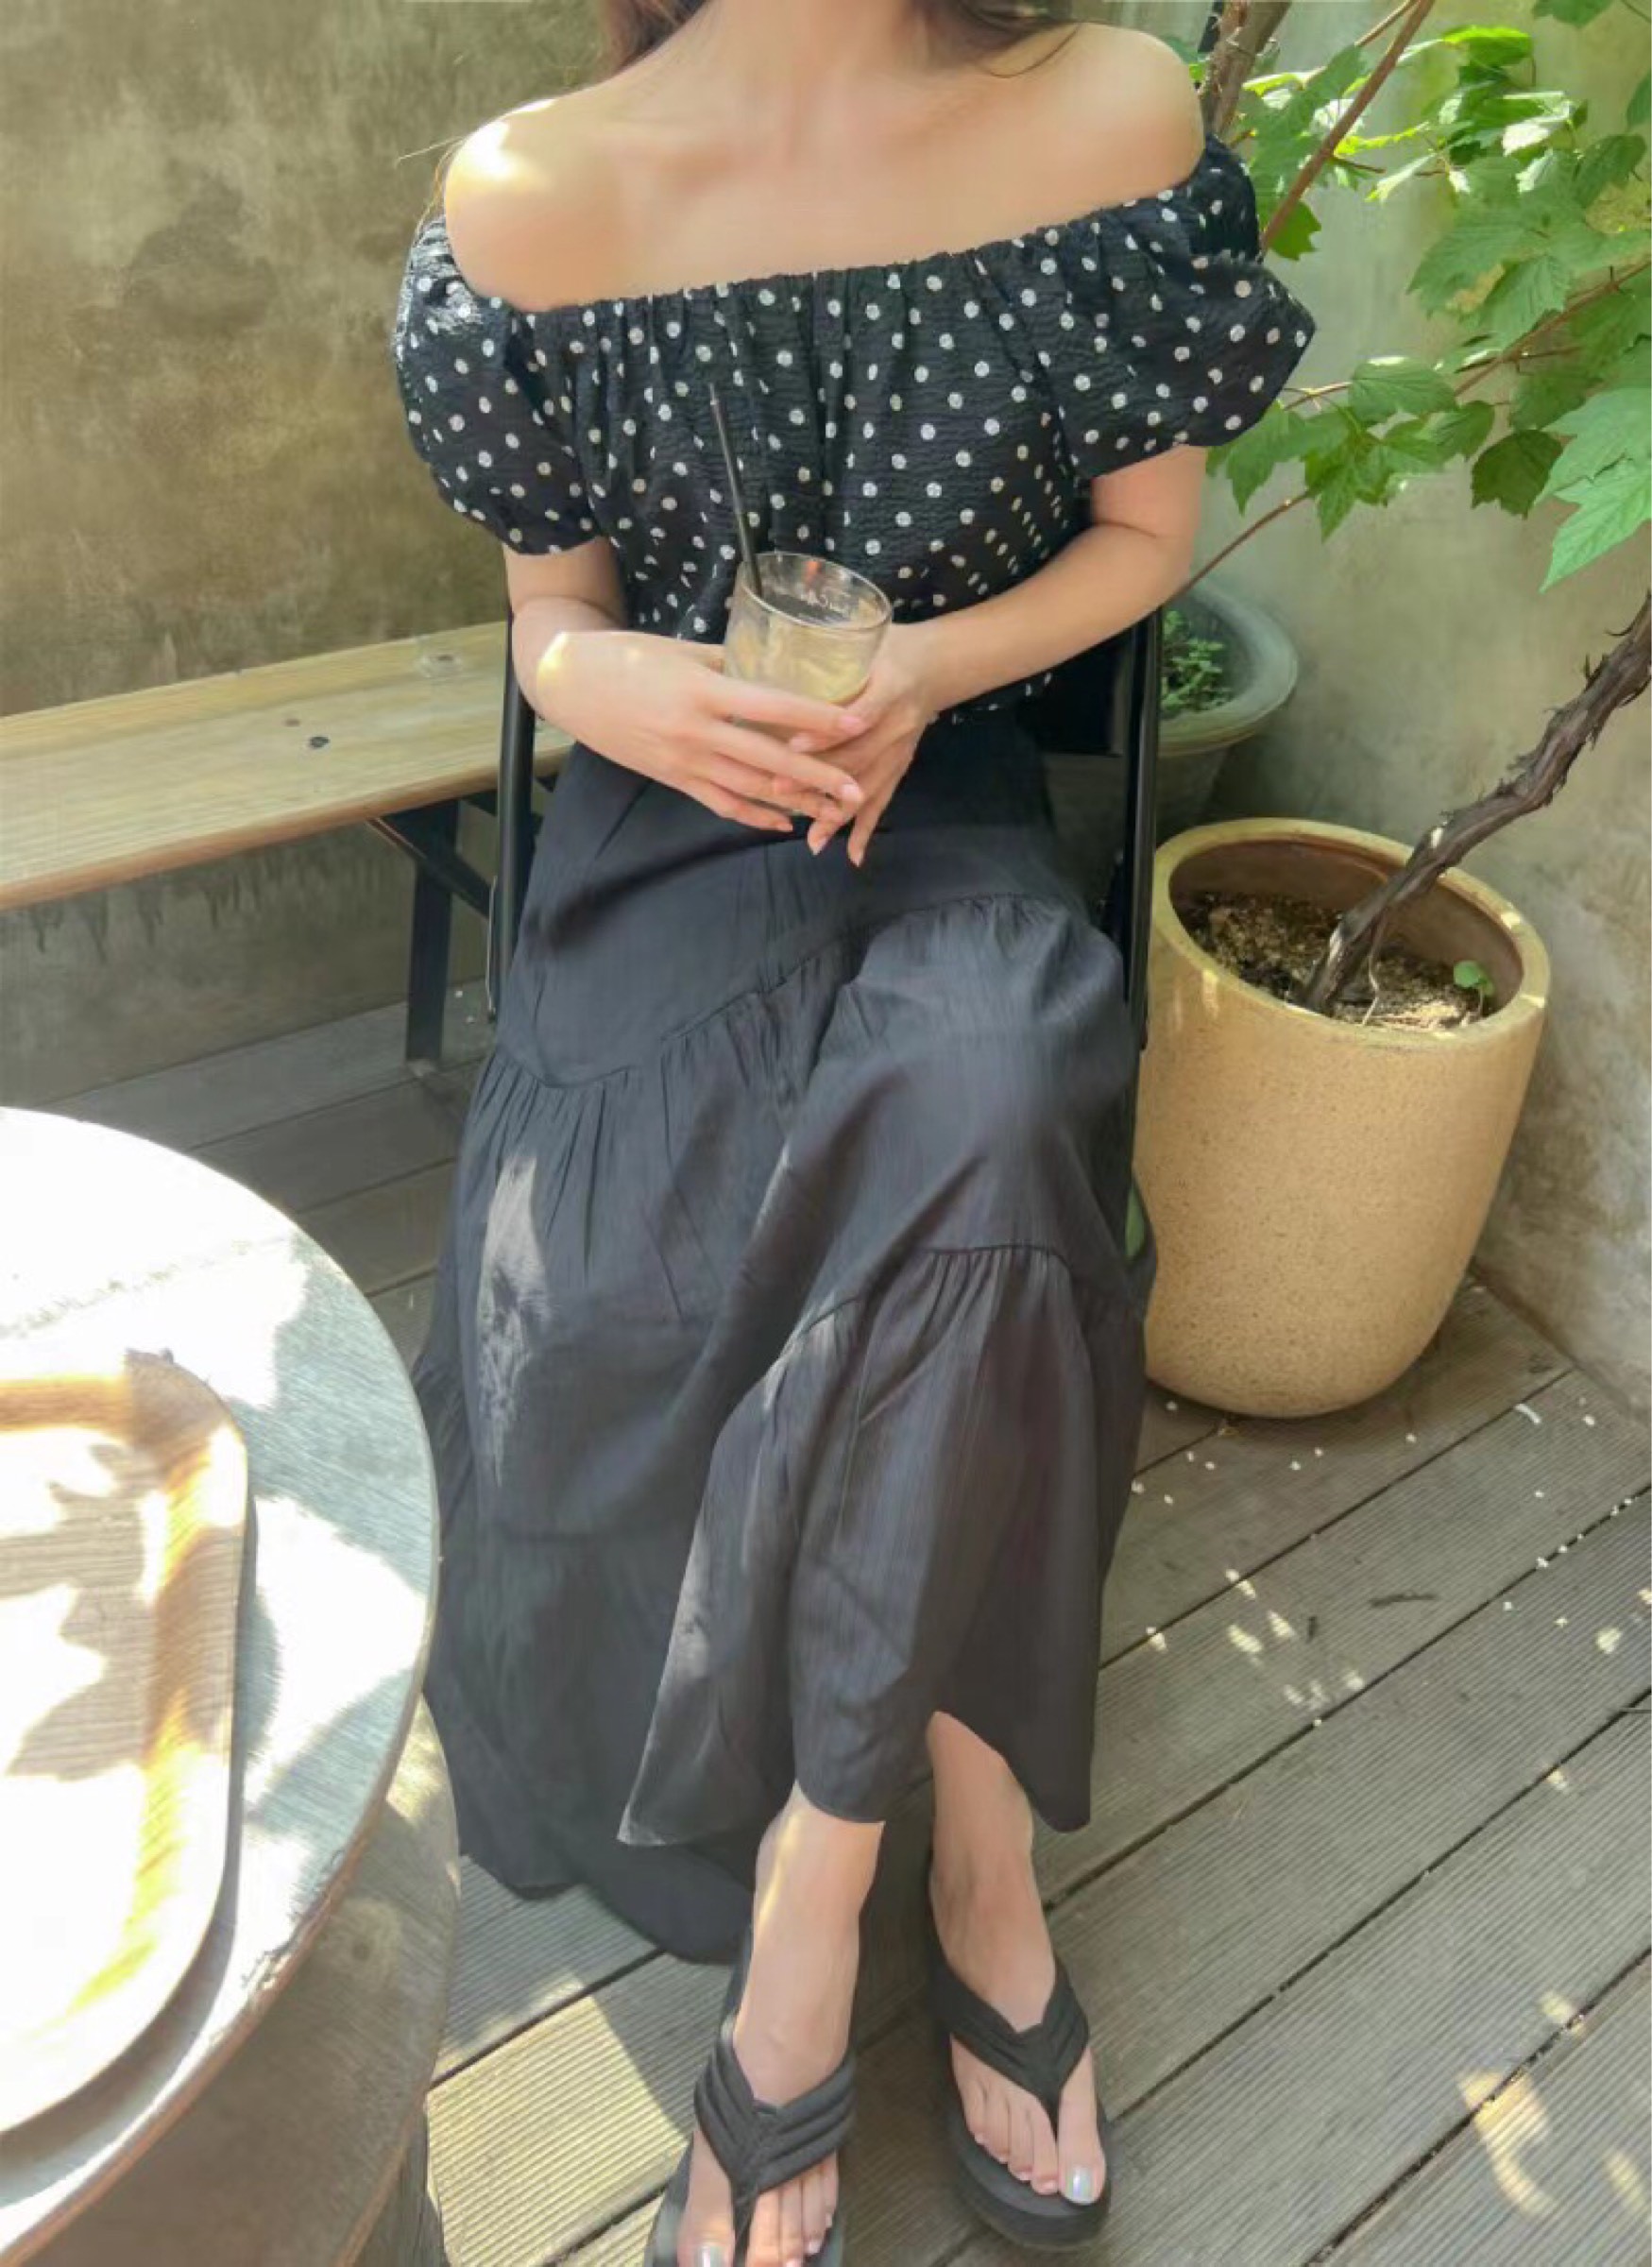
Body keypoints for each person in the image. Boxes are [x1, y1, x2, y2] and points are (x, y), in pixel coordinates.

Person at [390, 4, 1313, 2260]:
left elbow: (1142, 542)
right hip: (667, 822)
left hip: (945, 789)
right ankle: (967, 1819)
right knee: (650, 1259)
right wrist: (612, 680)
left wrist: (926, 668)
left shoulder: (1102, 111)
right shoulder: (532, 189)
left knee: (988, 1105)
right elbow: (548, 620)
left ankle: (851, 1900)